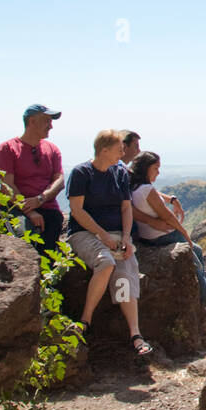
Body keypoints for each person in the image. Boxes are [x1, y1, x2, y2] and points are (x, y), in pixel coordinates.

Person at [67, 129, 152, 357]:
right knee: (105, 263)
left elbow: (126, 208)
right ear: (104, 150)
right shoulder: (81, 173)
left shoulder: (119, 173)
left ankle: (135, 333)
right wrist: (102, 235)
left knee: (124, 273)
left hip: (116, 234)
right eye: (119, 149)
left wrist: (125, 238)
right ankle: (85, 321)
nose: (123, 153)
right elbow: (77, 211)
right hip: (84, 233)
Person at [127, 151, 206, 320]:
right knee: (194, 264)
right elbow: (168, 216)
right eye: (156, 168)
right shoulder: (147, 189)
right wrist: (184, 234)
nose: (158, 172)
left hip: (149, 237)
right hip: (162, 237)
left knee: (198, 252)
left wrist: (171, 200)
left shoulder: (135, 188)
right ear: (146, 169)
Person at [0, 105, 65, 256]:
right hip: (15, 208)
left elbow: (59, 180)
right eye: (47, 121)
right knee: (24, 243)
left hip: (47, 209)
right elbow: (7, 185)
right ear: (31, 121)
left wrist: (40, 199)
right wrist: (30, 211)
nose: (51, 126)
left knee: (48, 253)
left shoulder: (52, 149)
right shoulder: (8, 148)